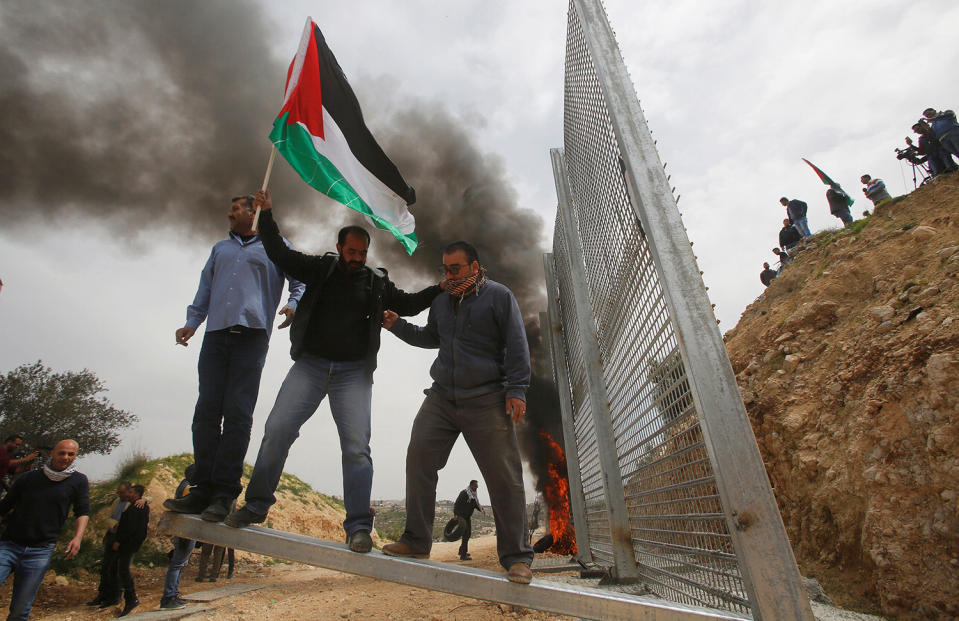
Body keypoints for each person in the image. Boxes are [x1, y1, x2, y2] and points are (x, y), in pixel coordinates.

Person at [224, 189, 443, 557]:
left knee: (357, 449)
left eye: (362, 253)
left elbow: (407, 303)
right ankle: (256, 505)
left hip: (353, 374)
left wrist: (440, 289)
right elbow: (279, 252)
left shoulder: (376, 282)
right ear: (340, 247)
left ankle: (358, 527)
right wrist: (268, 214)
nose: (356, 258)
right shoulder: (319, 268)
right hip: (309, 366)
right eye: (351, 252)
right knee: (277, 431)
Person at [380, 241, 535, 585]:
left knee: (504, 479)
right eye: (445, 270)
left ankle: (517, 557)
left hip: (487, 399)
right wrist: (398, 326)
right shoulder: (440, 300)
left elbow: (517, 344)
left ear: (475, 267)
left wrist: (517, 390)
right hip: (441, 399)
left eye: (456, 269)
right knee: (419, 458)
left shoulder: (498, 296)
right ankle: (416, 541)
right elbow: (431, 337)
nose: (449, 276)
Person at [165, 194, 305, 523]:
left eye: (236, 209)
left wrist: (292, 306)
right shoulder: (220, 249)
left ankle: (224, 493)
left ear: (254, 212)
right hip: (215, 335)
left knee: (237, 414)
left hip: (252, 335)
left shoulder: (276, 245)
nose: (229, 214)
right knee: (206, 412)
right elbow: (205, 289)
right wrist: (191, 322)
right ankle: (202, 488)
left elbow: (300, 282)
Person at [0, 440, 89, 621]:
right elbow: (4, 507)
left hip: (40, 551)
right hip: (9, 545)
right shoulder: (29, 478)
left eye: (70, 454)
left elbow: (83, 511)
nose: (65, 457)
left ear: (75, 456)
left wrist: (77, 538)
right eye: (62, 453)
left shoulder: (78, 481)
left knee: (20, 610)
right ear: (52, 454)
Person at [86, 482, 146, 608]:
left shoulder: (136, 504)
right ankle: (104, 594)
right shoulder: (116, 502)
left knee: (118, 569)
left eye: (123, 492)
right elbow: (109, 517)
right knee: (106, 567)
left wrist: (144, 499)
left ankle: (117, 596)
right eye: (119, 492)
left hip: (122, 540)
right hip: (113, 535)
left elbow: (131, 524)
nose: (120, 495)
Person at [452, 480, 486, 561]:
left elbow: (475, 504)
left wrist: (482, 509)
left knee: (467, 534)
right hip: (461, 516)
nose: (476, 488)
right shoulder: (464, 493)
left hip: (467, 517)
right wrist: (455, 514)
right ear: (471, 486)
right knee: (466, 534)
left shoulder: (473, 496)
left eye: (477, 487)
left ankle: (462, 551)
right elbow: (457, 503)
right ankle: (463, 556)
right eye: (475, 486)